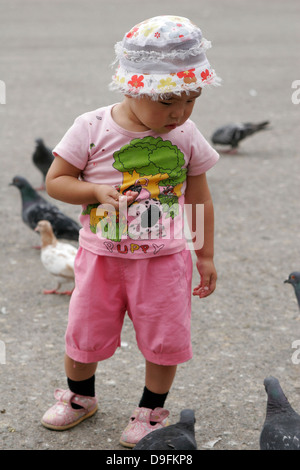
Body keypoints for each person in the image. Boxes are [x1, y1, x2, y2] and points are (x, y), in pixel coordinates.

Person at [41, 15, 221, 448]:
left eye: (191, 100)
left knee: (164, 337)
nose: (179, 112)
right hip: (101, 258)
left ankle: (150, 411)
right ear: (131, 87)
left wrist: (205, 253)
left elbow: (199, 196)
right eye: (167, 102)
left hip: (163, 260)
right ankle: (81, 397)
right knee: (84, 332)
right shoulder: (91, 127)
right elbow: (55, 181)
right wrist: (94, 190)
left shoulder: (185, 134)